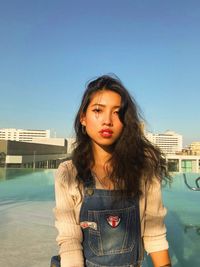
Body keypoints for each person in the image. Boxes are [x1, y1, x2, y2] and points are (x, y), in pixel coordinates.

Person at [53, 75, 171, 267]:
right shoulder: (68, 172)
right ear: (83, 117)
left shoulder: (143, 168)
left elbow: (154, 233)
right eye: (98, 110)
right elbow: (70, 241)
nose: (107, 121)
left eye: (117, 113)